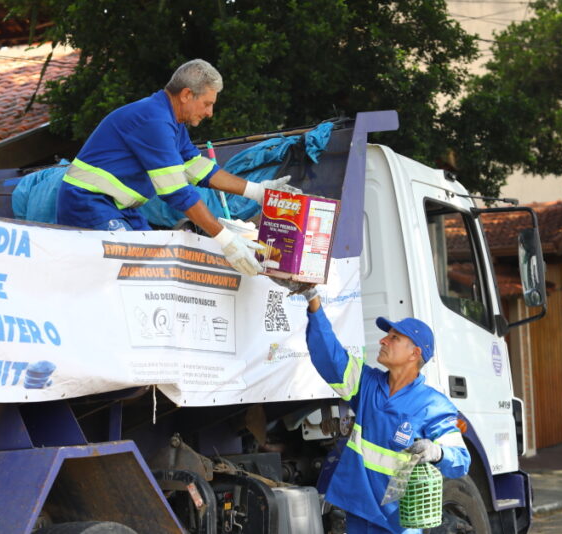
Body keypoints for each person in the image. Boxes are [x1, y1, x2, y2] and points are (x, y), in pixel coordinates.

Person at [56, 58, 292, 276]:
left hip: (115, 206)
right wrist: (225, 239)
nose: (210, 113)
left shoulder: (170, 122)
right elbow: (177, 191)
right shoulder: (155, 121)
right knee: (136, 272)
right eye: (208, 103)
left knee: (151, 268)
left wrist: (257, 191)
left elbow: (200, 169)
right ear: (187, 94)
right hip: (88, 203)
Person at [276, 281, 471, 533]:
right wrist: (313, 301)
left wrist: (437, 452)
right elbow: (329, 355)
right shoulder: (366, 383)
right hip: (360, 512)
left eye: (394, 338)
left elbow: (461, 460)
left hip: (400, 522)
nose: (383, 340)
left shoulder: (432, 404)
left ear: (414, 354)